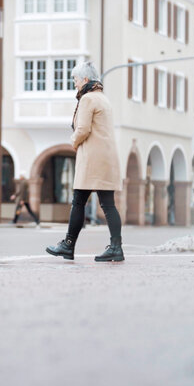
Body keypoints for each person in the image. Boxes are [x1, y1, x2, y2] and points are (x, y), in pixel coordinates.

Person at [46, 62, 124, 262]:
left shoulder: (87, 99)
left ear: (86, 80)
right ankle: (116, 247)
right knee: (108, 204)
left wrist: (72, 142)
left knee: (78, 201)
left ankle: (68, 245)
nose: (75, 84)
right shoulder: (103, 99)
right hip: (106, 158)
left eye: (75, 80)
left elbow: (83, 129)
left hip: (92, 159)